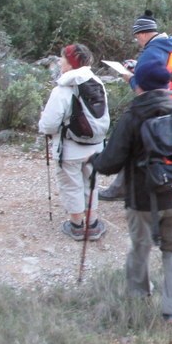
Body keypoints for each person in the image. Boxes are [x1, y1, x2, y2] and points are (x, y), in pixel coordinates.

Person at [90, 60, 172, 325]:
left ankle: (139, 297)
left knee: (140, 246)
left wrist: (94, 159)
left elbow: (109, 163)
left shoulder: (132, 117)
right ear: (165, 83)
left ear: (139, 85)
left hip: (140, 198)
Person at [99, 11, 172, 201]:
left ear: (142, 34)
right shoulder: (166, 47)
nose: (137, 41)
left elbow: (145, 88)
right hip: (169, 103)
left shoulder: (152, 52)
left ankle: (126, 189)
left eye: (137, 37)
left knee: (135, 146)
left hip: (151, 106)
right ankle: (126, 187)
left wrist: (130, 79)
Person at [37, 43, 110, 240]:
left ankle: (77, 225)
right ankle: (93, 223)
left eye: (62, 59)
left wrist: (42, 125)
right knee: (91, 183)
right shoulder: (97, 83)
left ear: (70, 63)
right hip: (95, 147)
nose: (60, 62)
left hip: (69, 149)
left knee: (71, 185)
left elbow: (50, 124)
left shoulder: (62, 89)